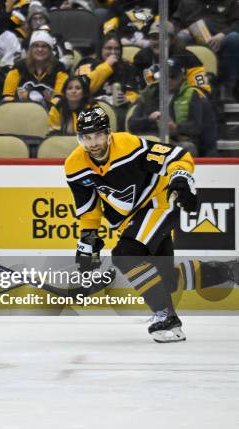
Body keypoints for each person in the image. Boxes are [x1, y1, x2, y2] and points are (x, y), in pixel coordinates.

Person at [64, 107, 234, 343]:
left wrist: (181, 179)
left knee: (125, 255)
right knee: (167, 281)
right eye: (86, 137)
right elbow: (89, 208)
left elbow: (176, 156)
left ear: (108, 133)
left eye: (98, 135)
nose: (93, 143)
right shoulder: (75, 165)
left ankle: (166, 318)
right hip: (130, 219)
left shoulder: (129, 146)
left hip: (159, 204)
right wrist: (88, 241)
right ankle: (230, 270)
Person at [128, 59, 218, 157]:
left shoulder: (192, 94)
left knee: (188, 148)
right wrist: (149, 119)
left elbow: (196, 127)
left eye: (173, 76)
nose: (169, 80)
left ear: (182, 76)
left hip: (177, 142)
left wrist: (176, 128)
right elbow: (132, 124)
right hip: (150, 141)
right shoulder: (148, 94)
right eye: (165, 76)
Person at [133, 21, 211, 95]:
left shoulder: (187, 57)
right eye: (154, 38)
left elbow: (202, 89)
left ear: (172, 40)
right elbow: (139, 89)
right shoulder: (141, 58)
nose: (158, 42)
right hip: (152, 103)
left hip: (183, 102)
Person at [2, 30, 68, 106]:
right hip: (20, 111)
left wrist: (51, 101)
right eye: (36, 46)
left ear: (50, 50)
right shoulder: (19, 66)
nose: (40, 49)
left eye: (44, 46)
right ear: (30, 49)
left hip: (49, 113)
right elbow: (8, 96)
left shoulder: (59, 67)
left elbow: (59, 98)